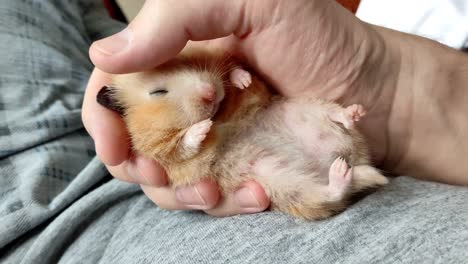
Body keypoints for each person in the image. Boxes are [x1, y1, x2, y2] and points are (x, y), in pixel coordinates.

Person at [1, 0, 467, 263]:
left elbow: (257, 98)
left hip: (265, 125)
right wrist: (185, 142)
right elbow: (173, 158)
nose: (202, 87)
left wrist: (238, 78)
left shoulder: (212, 73)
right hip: (234, 158)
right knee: (271, 176)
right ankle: (329, 191)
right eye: (163, 91)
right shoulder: (138, 125)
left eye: (190, 68)